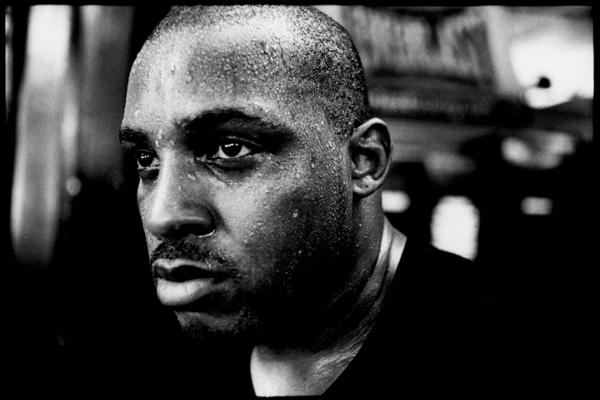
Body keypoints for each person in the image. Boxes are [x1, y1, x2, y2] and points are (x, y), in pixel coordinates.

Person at [118, 5, 531, 398]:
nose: (162, 215)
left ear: (363, 161)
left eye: (230, 149)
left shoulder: (496, 353)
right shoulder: (151, 349)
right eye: (146, 159)